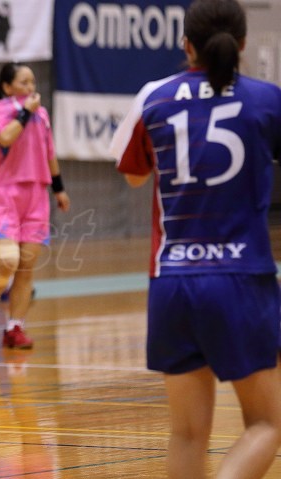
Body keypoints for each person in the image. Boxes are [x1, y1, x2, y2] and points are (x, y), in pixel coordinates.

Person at [110, 1, 281, 477]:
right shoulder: (267, 100)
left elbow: (134, 176)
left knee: (186, 434)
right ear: (242, 44)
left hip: (172, 281)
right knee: (266, 424)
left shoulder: (155, 97)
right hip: (242, 278)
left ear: (186, 44)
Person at [0, 63, 70, 350]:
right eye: (24, 82)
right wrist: (25, 111)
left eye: (33, 82)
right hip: (7, 195)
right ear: (7, 87)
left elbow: (50, 153)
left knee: (26, 268)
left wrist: (59, 189)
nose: (31, 87)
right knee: (7, 261)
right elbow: (5, 138)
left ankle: (15, 327)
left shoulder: (42, 114)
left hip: (37, 196)